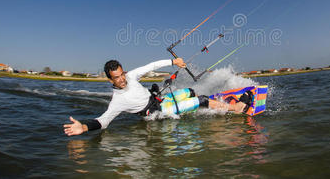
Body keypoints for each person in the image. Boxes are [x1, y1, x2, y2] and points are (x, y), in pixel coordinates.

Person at [63, 58, 251, 136]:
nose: (122, 80)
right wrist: (85, 126)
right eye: (116, 78)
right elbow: (103, 121)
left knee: (191, 92)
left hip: (159, 99)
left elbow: (151, 66)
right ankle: (236, 108)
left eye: (122, 74)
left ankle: (214, 103)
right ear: (109, 79)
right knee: (200, 100)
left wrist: (172, 61)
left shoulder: (130, 76)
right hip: (156, 111)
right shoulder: (117, 101)